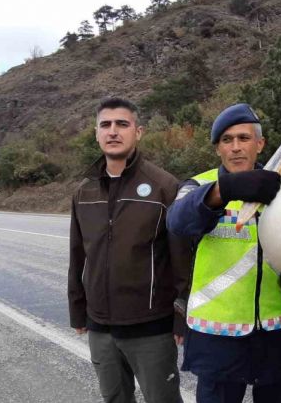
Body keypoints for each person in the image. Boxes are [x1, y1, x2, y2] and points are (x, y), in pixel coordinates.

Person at [166, 103, 281, 403]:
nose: (235, 147)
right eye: (226, 140)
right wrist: (224, 190)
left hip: (276, 331)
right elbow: (178, 221)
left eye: (244, 138)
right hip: (217, 335)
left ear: (260, 144)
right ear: (217, 148)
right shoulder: (199, 185)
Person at [68, 97, 191, 403]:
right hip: (100, 328)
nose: (113, 131)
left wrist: (181, 315)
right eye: (105, 125)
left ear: (138, 132)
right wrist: (77, 310)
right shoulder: (84, 192)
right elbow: (77, 255)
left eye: (122, 124)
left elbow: (182, 260)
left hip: (151, 328)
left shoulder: (164, 186)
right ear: (96, 133)